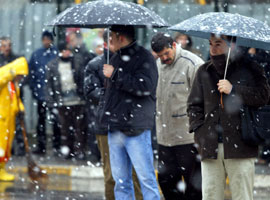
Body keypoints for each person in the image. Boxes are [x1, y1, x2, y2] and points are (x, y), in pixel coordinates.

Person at [187, 34, 270, 200]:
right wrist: (200, 131)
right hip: (210, 146)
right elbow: (193, 105)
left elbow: (264, 96)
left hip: (241, 144)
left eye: (218, 44)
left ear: (231, 46)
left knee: (242, 196)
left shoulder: (251, 68)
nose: (213, 48)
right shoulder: (204, 70)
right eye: (210, 44)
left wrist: (234, 90)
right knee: (210, 195)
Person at [101, 25, 160, 200]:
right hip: (116, 126)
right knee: (120, 181)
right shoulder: (115, 57)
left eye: (111, 36)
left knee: (146, 179)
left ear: (120, 37)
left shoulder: (144, 57)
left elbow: (146, 86)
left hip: (136, 127)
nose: (108, 40)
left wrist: (116, 75)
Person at [84, 29, 143, 200]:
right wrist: (111, 92)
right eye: (116, 41)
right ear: (106, 44)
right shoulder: (95, 65)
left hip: (131, 126)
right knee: (112, 176)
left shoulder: (131, 63)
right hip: (106, 126)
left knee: (135, 174)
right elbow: (90, 92)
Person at [151, 32, 204, 200]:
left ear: (174, 45)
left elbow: (204, 99)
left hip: (188, 136)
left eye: (166, 53)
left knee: (193, 185)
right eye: (160, 56)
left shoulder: (193, 64)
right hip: (165, 137)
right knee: (166, 182)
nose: (164, 58)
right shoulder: (157, 65)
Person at [46, 42, 87, 160]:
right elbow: (49, 85)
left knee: (79, 127)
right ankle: (67, 150)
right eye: (64, 50)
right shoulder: (53, 65)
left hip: (78, 100)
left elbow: (82, 79)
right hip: (62, 101)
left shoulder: (77, 62)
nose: (66, 53)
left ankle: (79, 151)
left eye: (68, 50)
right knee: (65, 127)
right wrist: (51, 101)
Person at [68, 30, 98, 160]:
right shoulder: (76, 54)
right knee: (80, 125)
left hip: (87, 94)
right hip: (82, 94)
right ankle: (86, 151)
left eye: (74, 40)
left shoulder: (86, 55)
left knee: (86, 125)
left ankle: (90, 151)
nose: (72, 43)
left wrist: (84, 89)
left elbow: (85, 74)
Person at [28, 30, 60, 155]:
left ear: (52, 40)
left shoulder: (56, 53)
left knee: (56, 121)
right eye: (44, 39)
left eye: (48, 39)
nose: (46, 42)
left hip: (54, 95)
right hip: (40, 93)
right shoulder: (37, 54)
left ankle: (57, 147)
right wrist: (33, 89)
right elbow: (31, 72)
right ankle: (41, 146)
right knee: (41, 122)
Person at [0, 57, 28, 181]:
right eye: (20, 75)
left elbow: (15, 99)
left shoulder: (13, 84)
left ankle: (1, 169)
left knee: (6, 146)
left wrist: (20, 109)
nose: (21, 78)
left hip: (8, 120)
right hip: (1, 119)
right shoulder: (4, 78)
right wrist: (7, 75)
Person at [0, 37, 25, 156]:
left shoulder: (15, 60)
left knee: (18, 125)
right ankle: (5, 150)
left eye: (8, 45)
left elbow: (23, 77)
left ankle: (19, 148)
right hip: (2, 100)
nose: (7, 48)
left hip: (15, 96)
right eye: (4, 46)